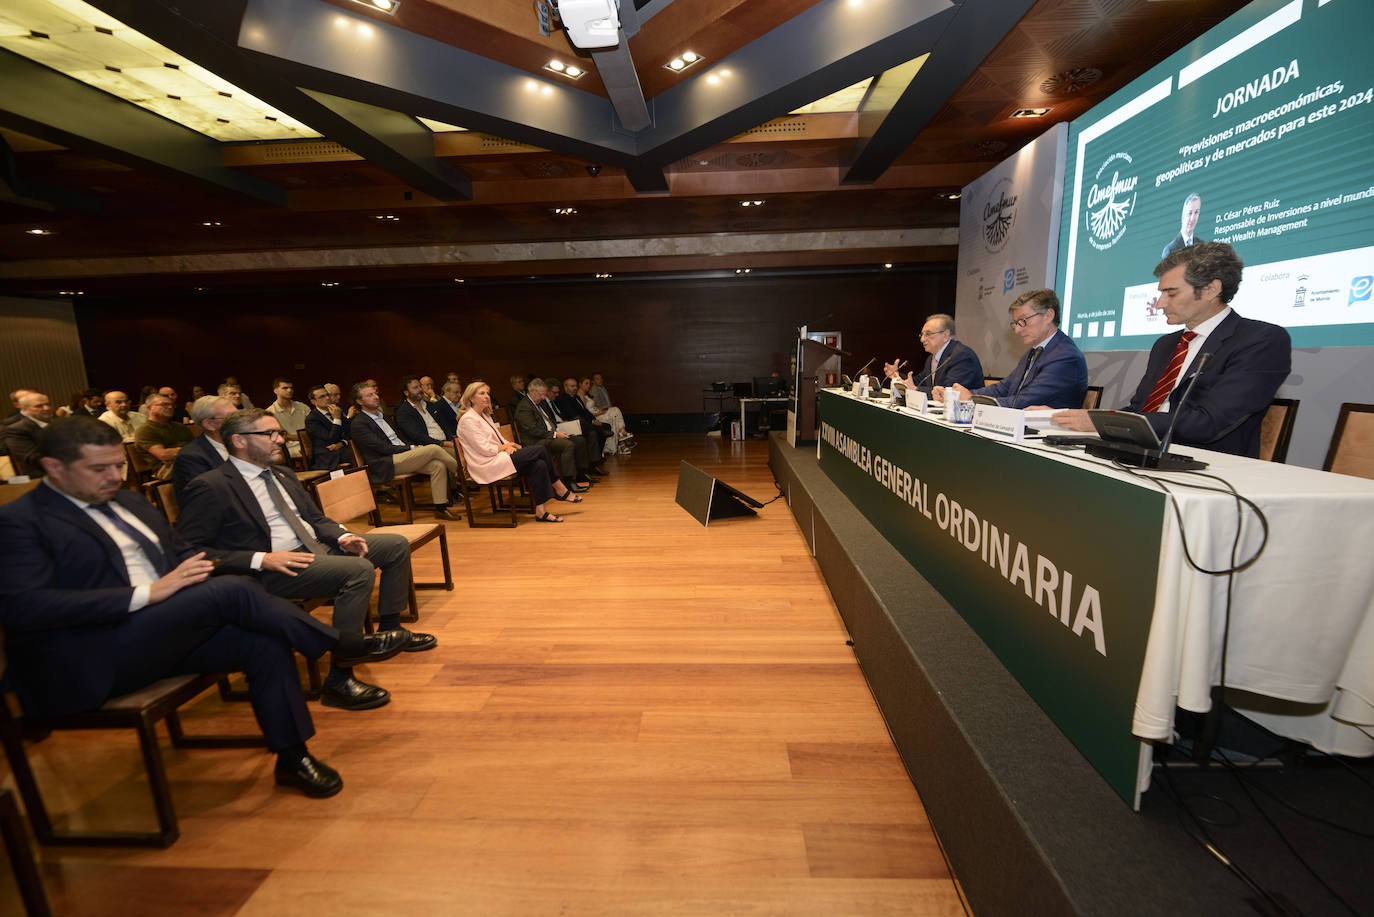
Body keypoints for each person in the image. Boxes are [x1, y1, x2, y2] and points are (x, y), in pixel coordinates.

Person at [0, 416, 409, 798]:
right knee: (230, 591)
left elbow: (186, 555)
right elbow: (25, 608)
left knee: (264, 642)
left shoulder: (129, 503)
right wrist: (149, 594)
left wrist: (184, 584)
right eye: (98, 469)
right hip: (90, 656)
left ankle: (292, 756)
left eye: (118, 466)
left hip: (160, 634)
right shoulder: (20, 521)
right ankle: (342, 644)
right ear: (54, 467)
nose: (113, 477)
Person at [177, 409, 433, 711]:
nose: (279, 440)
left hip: (314, 547)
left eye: (279, 433)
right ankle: (340, 677)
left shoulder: (282, 474)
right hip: (272, 569)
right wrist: (261, 559)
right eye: (269, 434)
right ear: (239, 441)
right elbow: (191, 550)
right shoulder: (212, 485)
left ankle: (390, 629)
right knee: (358, 571)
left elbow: (315, 518)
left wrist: (342, 537)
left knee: (394, 545)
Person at [1051, 242, 1290, 457]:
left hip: (1207, 465)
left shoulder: (1261, 340)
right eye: (1161, 293)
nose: (1159, 303)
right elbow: (1139, 410)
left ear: (1211, 289)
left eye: (1171, 293)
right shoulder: (1165, 345)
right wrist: (1069, 418)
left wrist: (1099, 422)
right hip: (1141, 455)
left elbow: (1208, 422)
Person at [933, 289, 1087, 410]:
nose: (1017, 330)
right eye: (1016, 323)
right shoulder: (1034, 352)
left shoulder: (1066, 357)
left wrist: (971, 400)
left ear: (1048, 315)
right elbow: (1003, 388)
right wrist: (955, 394)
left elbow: (1024, 401)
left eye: (1023, 321)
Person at [455, 382, 579, 523]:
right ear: (471, 398)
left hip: (497, 456)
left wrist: (510, 445)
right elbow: (484, 449)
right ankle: (560, 488)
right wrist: (506, 446)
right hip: (485, 464)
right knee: (540, 449)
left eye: (487, 393)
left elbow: (499, 439)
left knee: (539, 465)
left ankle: (541, 511)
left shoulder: (484, 415)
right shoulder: (468, 420)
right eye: (482, 393)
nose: (487, 396)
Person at [348, 381, 460, 520]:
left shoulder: (383, 416)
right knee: (434, 448)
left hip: (401, 455)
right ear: (359, 401)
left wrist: (411, 448)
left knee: (438, 466)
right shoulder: (359, 423)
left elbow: (400, 438)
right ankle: (462, 473)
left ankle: (441, 509)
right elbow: (381, 448)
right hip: (384, 463)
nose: (376, 397)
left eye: (375, 393)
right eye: (369, 395)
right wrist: (411, 448)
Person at [514, 379, 593, 491]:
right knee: (567, 445)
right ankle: (568, 480)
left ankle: (582, 474)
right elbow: (533, 430)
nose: (543, 397)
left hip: (548, 435)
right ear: (532, 391)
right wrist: (555, 434)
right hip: (536, 441)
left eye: (544, 394)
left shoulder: (539, 402)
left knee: (580, 440)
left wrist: (558, 430)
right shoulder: (524, 407)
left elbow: (550, 420)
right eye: (541, 394)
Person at [889, 313, 985, 395]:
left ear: (946, 335)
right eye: (922, 334)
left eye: (928, 334)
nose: (922, 339)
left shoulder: (962, 356)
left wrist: (916, 389)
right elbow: (920, 381)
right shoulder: (932, 358)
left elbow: (949, 391)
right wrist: (898, 376)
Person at [172, 395, 237, 502]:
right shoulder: (191, 457)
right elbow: (208, 498)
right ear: (209, 424)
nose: (241, 421)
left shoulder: (244, 443)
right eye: (232, 417)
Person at [132, 393, 193, 480]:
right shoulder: (145, 430)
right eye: (164, 404)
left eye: (172, 405)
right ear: (150, 408)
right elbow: (164, 455)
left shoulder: (180, 427)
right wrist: (190, 451)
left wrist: (178, 451)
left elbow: (197, 447)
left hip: (187, 461)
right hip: (165, 469)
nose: (170, 407)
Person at [394, 375, 455, 457]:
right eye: (415, 388)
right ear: (406, 393)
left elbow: (444, 425)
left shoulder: (430, 406)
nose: (420, 389)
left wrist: (452, 440)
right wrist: (443, 443)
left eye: (420, 386)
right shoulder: (403, 412)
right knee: (459, 455)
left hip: (446, 443)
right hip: (429, 447)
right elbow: (417, 436)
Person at [2, 391, 52, 477]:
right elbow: (32, 458)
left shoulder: (58, 423)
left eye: (47, 404)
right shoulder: (16, 430)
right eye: (39, 406)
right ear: (24, 409)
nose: (46, 408)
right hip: (42, 474)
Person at [579, 377, 631, 454]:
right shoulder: (580, 396)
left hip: (597, 413)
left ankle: (621, 435)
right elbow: (586, 413)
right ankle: (621, 435)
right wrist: (601, 413)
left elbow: (593, 408)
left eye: (589, 384)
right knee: (614, 413)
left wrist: (601, 409)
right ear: (580, 384)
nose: (588, 386)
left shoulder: (586, 394)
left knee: (615, 410)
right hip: (594, 417)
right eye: (586, 383)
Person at [304, 385, 349, 471]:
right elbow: (331, 439)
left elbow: (349, 431)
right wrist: (337, 419)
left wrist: (343, 443)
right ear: (313, 402)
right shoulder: (312, 419)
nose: (327, 398)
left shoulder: (337, 410)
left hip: (342, 449)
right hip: (327, 455)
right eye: (322, 397)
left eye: (327, 395)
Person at [266, 378, 310, 460]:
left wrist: (293, 437)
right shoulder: (270, 412)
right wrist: (304, 437)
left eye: (291, 388)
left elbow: (313, 430)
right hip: (288, 448)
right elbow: (283, 436)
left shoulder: (302, 407)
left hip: (309, 444)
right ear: (275, 391)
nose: (289, 390)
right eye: (285, 388)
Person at [1161, 192, 1203, 259]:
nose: (1193, 218)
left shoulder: (1202, 246)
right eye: (1190, 213)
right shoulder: (1170, 250)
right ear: (1183, 216)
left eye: (1196, 212)